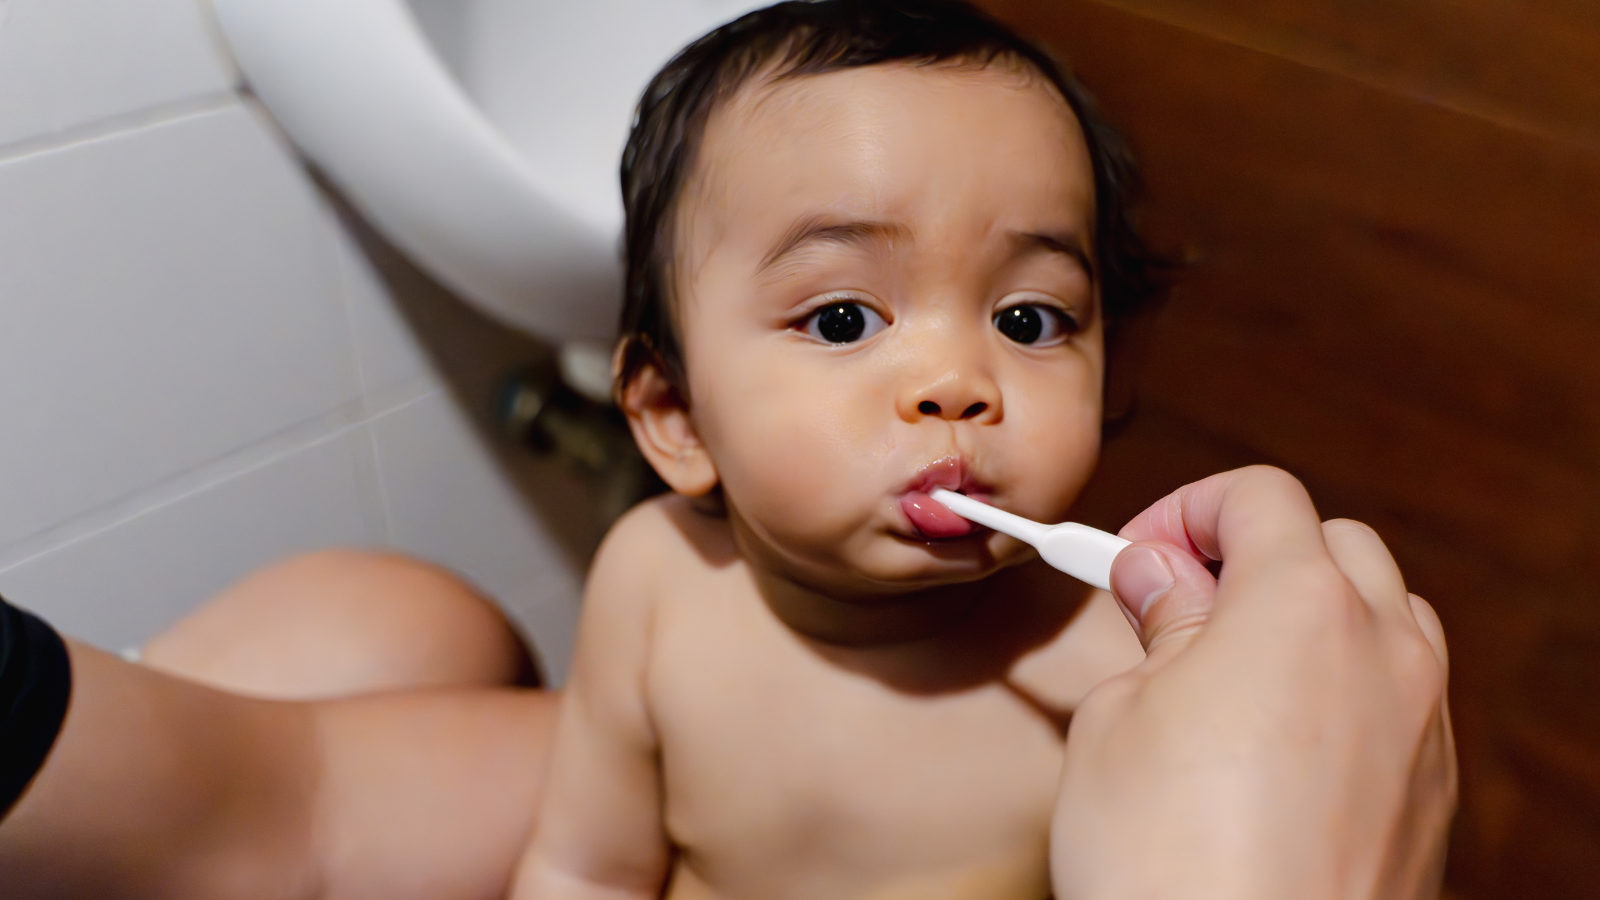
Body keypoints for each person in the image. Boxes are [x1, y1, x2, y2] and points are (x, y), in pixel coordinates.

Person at [0, 2, 1455, 898]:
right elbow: (583, 863)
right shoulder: (652, 585)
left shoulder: (1114, 661)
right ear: (673, 418)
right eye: (839, 317)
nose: (957, 380)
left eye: (1029, 314)